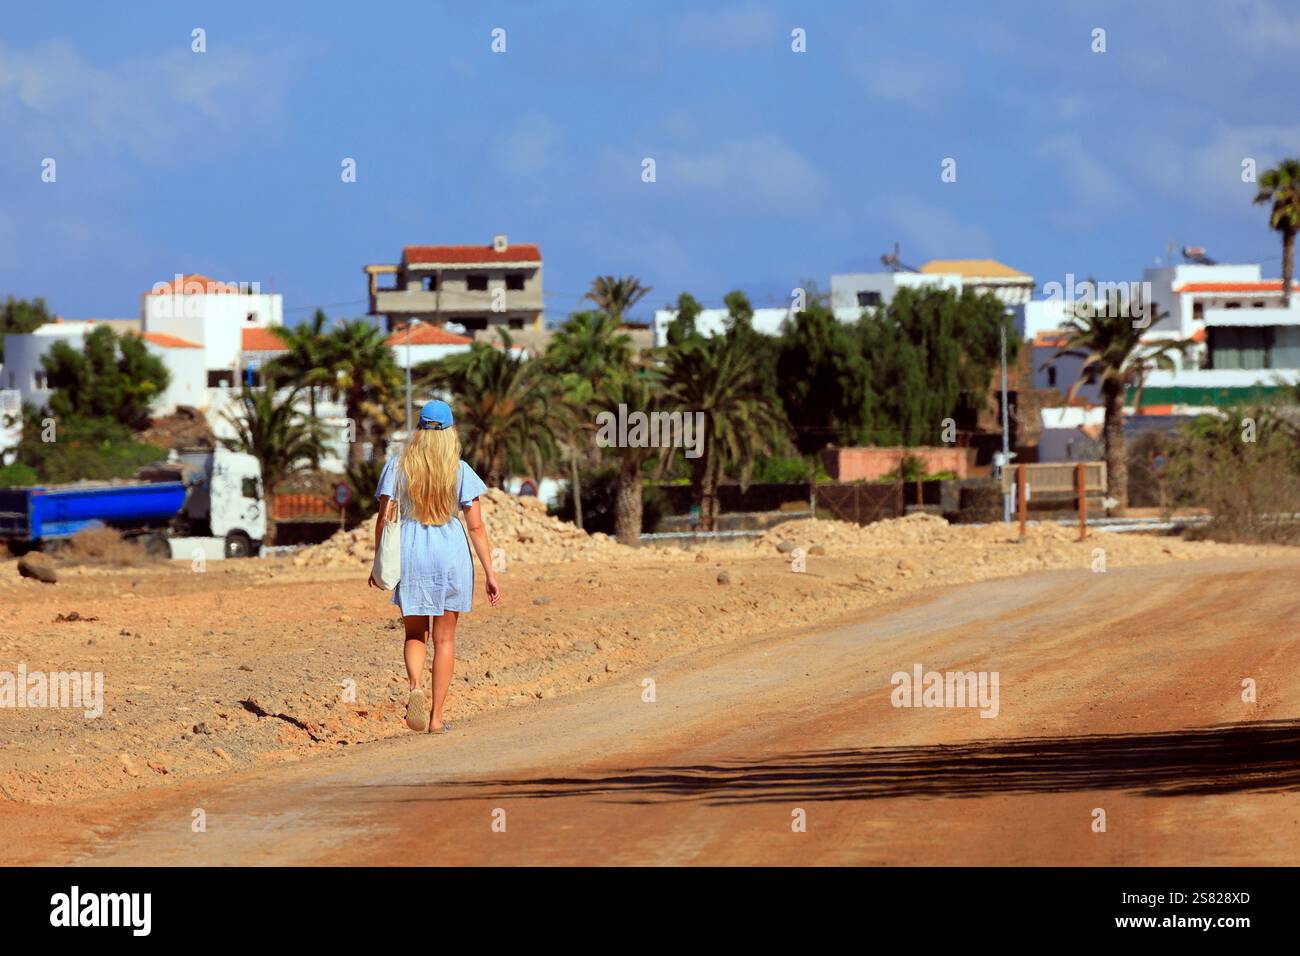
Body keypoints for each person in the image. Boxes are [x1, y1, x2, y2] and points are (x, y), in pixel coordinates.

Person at [368, 399, 501, 733]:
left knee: (415, 632)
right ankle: (436, 718)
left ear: (419, 430)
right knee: (445, 640)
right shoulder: (460, 470)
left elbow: (383, 520)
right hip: (450, 552)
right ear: (450, 431)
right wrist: (490, 573)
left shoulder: (398, 466)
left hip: (411, 551)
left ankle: (415, 687)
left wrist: (377, 563)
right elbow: (476, 528)